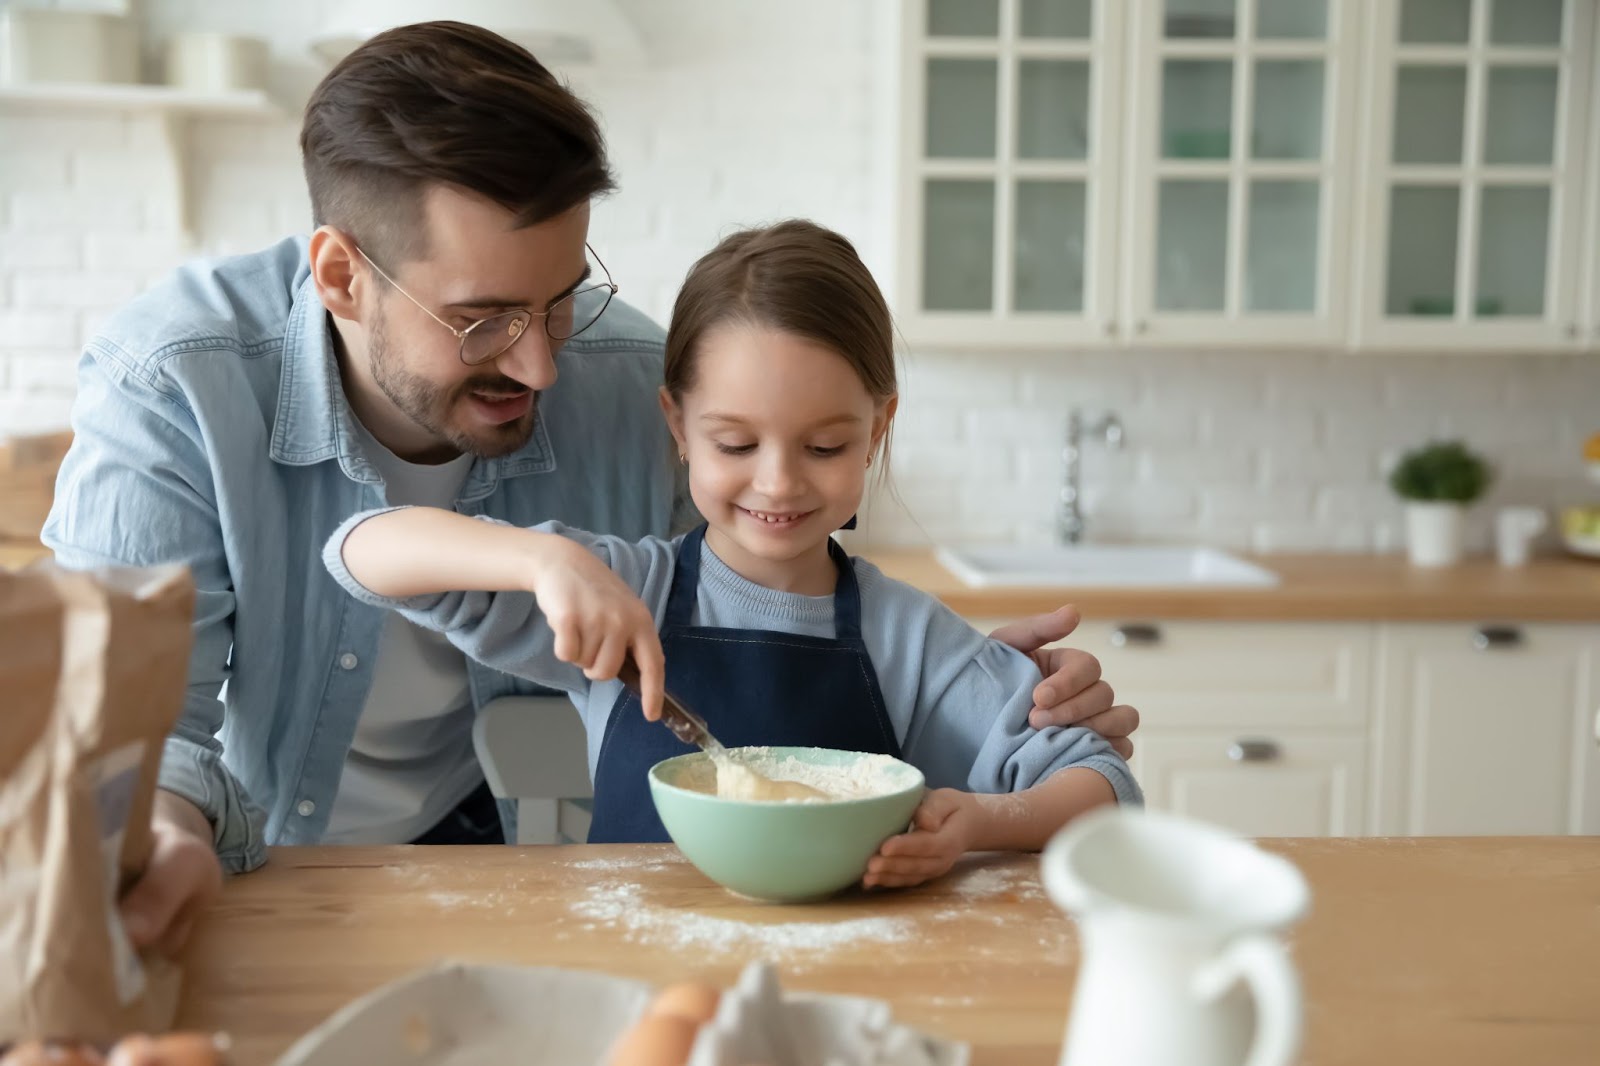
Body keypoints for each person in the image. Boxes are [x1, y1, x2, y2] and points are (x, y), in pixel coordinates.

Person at [41, 22, 1138, 953]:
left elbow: (751, 606)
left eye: (561, 298)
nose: (541, 365)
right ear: (338, 274)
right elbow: (131, 741)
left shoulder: (631, 379)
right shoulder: (173, 384)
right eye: (482, 319)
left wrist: (946, 689)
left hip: (494, 863)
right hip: (249, 863)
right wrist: (164, 845)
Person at [325, 221, 1142, 886]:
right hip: (639, 987)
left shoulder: (907, 637)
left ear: (877, 430)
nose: (779, 482)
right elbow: (360, 550)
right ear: (678, 427)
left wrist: (982, 822)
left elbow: (1103, 785)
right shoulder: (623, 593)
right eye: (736, 442)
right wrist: (545, 565)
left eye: (824, 446)